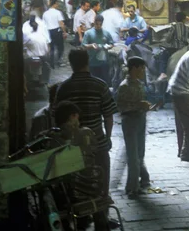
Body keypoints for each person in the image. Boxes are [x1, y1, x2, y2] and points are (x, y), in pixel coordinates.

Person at [56, 49, 117, 198]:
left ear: (71, 64)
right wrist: (107, 138)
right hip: (97, 143)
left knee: (76, 187)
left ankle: (81, 218)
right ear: (88, 61)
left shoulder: (63, 88)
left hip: (73, 146)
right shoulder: (100, 85)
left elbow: (57, 118)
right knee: (101, 185)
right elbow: (108, 117)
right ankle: (102, 217)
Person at [46, 100, 112, 231]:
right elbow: (94, 152)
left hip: (63, 194)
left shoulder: (50, 138)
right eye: (77, 117)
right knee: (97, 180)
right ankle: (101, 224)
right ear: (72, 116)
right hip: (86, 189)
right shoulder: (85, 133)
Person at [116, 56, 151, 198]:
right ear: (135, 68)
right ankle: (132, 187)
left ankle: (143, 181)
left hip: (141, 119)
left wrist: (145, 106)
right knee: (132, 156)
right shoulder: (124, 85)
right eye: (142, 68)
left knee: (139, 153)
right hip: (130, 121)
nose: (143, 71)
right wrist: (138, 105)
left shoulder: (138, 83)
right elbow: (121, 107)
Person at [167, 48, 189, 163]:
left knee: (182, 122)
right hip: (181, 91)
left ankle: (181, 150)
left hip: (176, 88)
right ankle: (186, 153)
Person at [81, 14, 114, 84]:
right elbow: (83, 46)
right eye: (96, 24)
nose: (98, 26)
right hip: (92, 63)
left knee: (104, 82)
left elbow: (112, 44)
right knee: (94, 83)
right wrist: (91, 45)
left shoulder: (106, 33)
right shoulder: (88, 33)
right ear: (94, 22)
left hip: (104, 63)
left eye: (100, 24)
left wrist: (108, 46)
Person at [42, 0, 67, 68]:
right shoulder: (58, 12)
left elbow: (43, 25)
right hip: (57, 31)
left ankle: (51, 63)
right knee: (60, 47)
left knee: (51, 48)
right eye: (57, 4)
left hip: (48, 32)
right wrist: (64, 32)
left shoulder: (45, 13)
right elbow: (61, 23)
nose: (58, 5)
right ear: (54, 4)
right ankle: (59, 61)